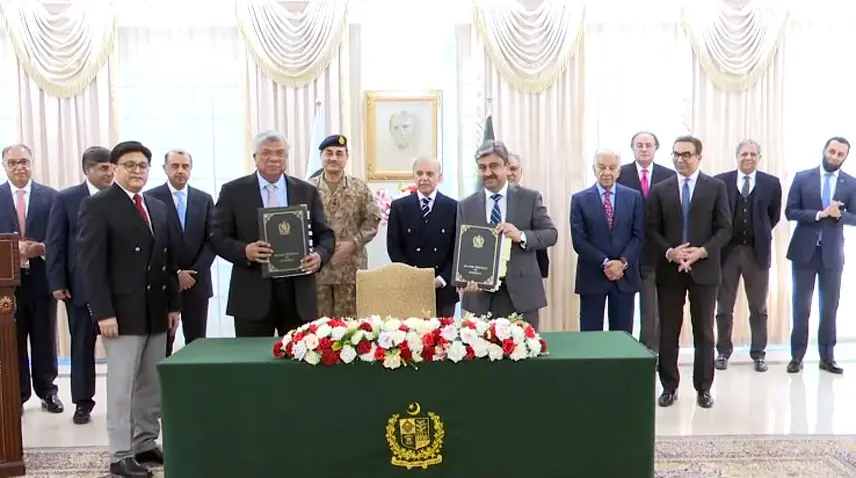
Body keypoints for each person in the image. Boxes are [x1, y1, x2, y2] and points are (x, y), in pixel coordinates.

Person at [77, 141, 181, 477]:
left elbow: (167, 262)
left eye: (142, 165)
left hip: (155, 310)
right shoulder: (98, 205)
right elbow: (92, 266)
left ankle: (144, 441)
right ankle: (120, 454)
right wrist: (103, 313)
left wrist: (173, 305)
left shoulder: (157, 207)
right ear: (114, 168)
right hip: (120, 314)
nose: (137, 171)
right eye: (130, 165)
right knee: (121, 388)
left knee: (150, 384)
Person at [210, 130, 335, 337]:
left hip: (297, 295)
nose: (274, 158)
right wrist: (244, 251)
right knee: (252, 356)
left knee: (300, 354)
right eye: (266, 153)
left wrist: (319, 256)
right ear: (255, 157)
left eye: (280, 153)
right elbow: (216, 236)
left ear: (286, 157)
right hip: (252, 294)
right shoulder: (233, 191)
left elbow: (326, 235)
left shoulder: (306, 191)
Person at [646, 135, 731, 409]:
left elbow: (724, 229)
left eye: (686, 155)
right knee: (668, 331)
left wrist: (701, 252)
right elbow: (651, 229)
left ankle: (703, 388)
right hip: (670, 270)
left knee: (704, 332)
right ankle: (669, 386)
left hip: (704, 270)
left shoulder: (715, 187)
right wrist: (670, 252)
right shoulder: (660, 189)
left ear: (699, 157)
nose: (680, 159)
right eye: (676, 154)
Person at [457, 140, 557, 329]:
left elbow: (551, 234)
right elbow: (461, 248)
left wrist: (521, 236)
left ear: (506, 166)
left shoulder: (529, 198)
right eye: (482, 167)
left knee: (524, 347)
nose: (488, 172)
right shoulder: (466, 205)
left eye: (494, 166)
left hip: (522, 296)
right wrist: (464, 280)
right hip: (480, 298)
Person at [45, 146, 113, 424]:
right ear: (87, 169)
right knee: (82, 346)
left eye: (111, 167)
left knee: (120, 348)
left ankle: (124, 402)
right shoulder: (66, 199)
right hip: (79, 288)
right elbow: (55, 242)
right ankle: (83, 403)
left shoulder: (119, 197)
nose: (109, 173)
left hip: (117, 288)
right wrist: (57, 281)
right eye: (103, 168)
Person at [785, 136, 856, 375]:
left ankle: (827, 358)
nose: (835, 157)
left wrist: (839, 216)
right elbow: (790, 211)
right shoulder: (802, 177)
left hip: (832, 256)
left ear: (845, 157)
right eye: (832, 151)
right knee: (801, 307)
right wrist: (819, 214)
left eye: (840, 154)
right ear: (824, 150)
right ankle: (796, 357)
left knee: (829, 309)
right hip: (804, 253)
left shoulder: (851, 183)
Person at [0, 144, 62, 415]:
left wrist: (42, 248)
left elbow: (60, 237)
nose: (19, 167)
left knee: (44, 338)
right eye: (13, 162)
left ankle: (48, 391)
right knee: (12, 340)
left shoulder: (51, 197)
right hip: (7, 285)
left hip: (42, 279)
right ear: (4, 166)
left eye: (24, 161)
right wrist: (12, 250)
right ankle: (18, 394)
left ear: (31, 163)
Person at [713, 139, 782, 373]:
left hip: (756, 252)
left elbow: (773, 216)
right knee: (724, 307)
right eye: (744, 154)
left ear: (759, 157)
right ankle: (723, 351)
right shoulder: (721, 182)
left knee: (758, 307)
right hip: (727, 252)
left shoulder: (771, 183)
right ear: (737, 156)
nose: (748, 158)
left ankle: (759, 353)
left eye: (753, 154)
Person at [146, 150, 215, 355]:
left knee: (197, 343)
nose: (180, 171)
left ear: (191, 169)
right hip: (164, 283)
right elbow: (152, 242)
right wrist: (176, 273)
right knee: (164, 342)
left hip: (197, 282)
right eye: (175, 166)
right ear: (165, 169)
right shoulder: (150, 198)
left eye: (185, 166)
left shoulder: (204, 199)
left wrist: (193, 273)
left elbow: (212, 240)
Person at [570, 149, 644, 333]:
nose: (607, 172)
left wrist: (622, 263)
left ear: (619, 171)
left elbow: (638, 236)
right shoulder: (579, 199)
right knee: (590, 335)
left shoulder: (633, 197)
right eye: (602, 167)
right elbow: (579, 240)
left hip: (624, 276)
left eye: (612, 168)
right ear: (594, 169)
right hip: (592, 275)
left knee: (622, 336)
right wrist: (605, 263)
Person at [309, 134, 381, 319]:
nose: (333, 158)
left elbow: (373, 219)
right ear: (321, 156)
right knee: (318, 325)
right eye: (329, 153)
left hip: (350, 268)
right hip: (319, 269)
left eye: (339, 153)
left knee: (350, 325)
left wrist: (354, 243)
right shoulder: (308, 189)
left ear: (346, 157)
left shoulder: (359, 187)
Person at [616, 131, 676, 352]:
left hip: (657, 253)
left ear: (656, 148)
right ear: (632, 148)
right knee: (623, 310)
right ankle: (624, 352)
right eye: (639, 145)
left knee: (652, 311)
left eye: (648, 145)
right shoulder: (620, 174)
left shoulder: (669, 176)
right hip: (625, 252)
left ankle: (649, 353)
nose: (643, 149)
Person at [387, 156, 458, 317]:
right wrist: (413, 277)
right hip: (411, 287)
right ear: (413, 176)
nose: (424, 178)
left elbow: (457, 250)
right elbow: (394, 248)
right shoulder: (399, 207)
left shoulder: (453, 207)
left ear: (439, 177)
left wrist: (442, 279)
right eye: (419, 173)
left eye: (430, 174)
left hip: (443, 289)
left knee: (445, 333)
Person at [507, 152, 550, 278]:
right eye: (506, 169)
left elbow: (545, 233)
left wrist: (520, 236)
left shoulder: (531, 198)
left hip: (526, 272)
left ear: (521, 172)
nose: (509, 173)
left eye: (513, 169)